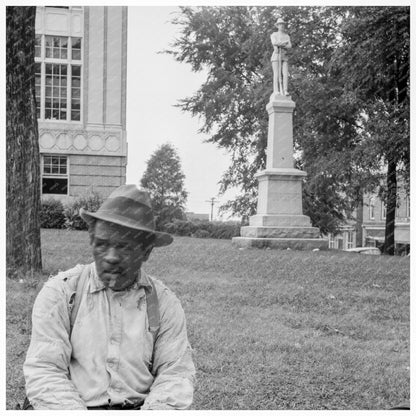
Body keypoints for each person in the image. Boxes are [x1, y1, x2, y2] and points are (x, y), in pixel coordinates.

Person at [23, 184, 196, 410]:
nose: (111, 257)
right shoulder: (62, 292)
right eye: (103, 244)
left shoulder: (164, 304)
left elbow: (176, 375)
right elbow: (45, 370)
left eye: (124, 247)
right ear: (92, 243)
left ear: (146, 252)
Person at [271, 17, 292, 96]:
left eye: (283, 24)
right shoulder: (274, 34)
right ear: (277, 26)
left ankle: (285, 90)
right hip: (276, 55)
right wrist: (284, 43)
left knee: (285, 74)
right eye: (280, 24)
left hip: (284, 56)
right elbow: (274, 42)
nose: (282, 26)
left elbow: (289, 46)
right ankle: (276, 90)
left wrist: (280, 44)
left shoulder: (287, 36)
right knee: (276, 74)